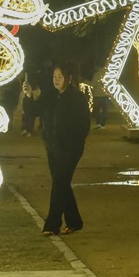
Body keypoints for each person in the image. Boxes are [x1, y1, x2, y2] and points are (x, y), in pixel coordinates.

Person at [42, 61, 90, 236]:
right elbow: (33, 110)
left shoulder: (77, 98)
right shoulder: (50, 96)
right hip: (52, 147)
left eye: (60, 77)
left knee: (59, 183)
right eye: (54, 76)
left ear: (68, 79)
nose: (56, 80)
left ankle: (52, 224)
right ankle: (74, 221)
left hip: (70, 148)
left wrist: (74, 141)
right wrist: (28, 97)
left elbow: (84, 125)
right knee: (61, 183)